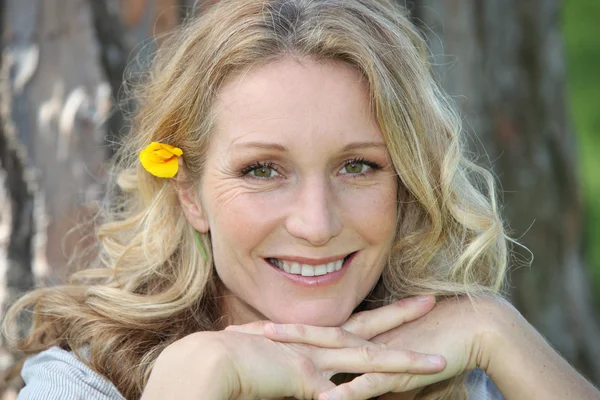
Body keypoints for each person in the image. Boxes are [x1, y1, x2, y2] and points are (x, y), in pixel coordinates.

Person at [2, 0, 599, 399]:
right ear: (189, 193)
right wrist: (192, 380)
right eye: (263, 170)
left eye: (359, 166)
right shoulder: (81, 383)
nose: (316, 224)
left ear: (406, 185)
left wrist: (497, 331)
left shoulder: (452, 372)